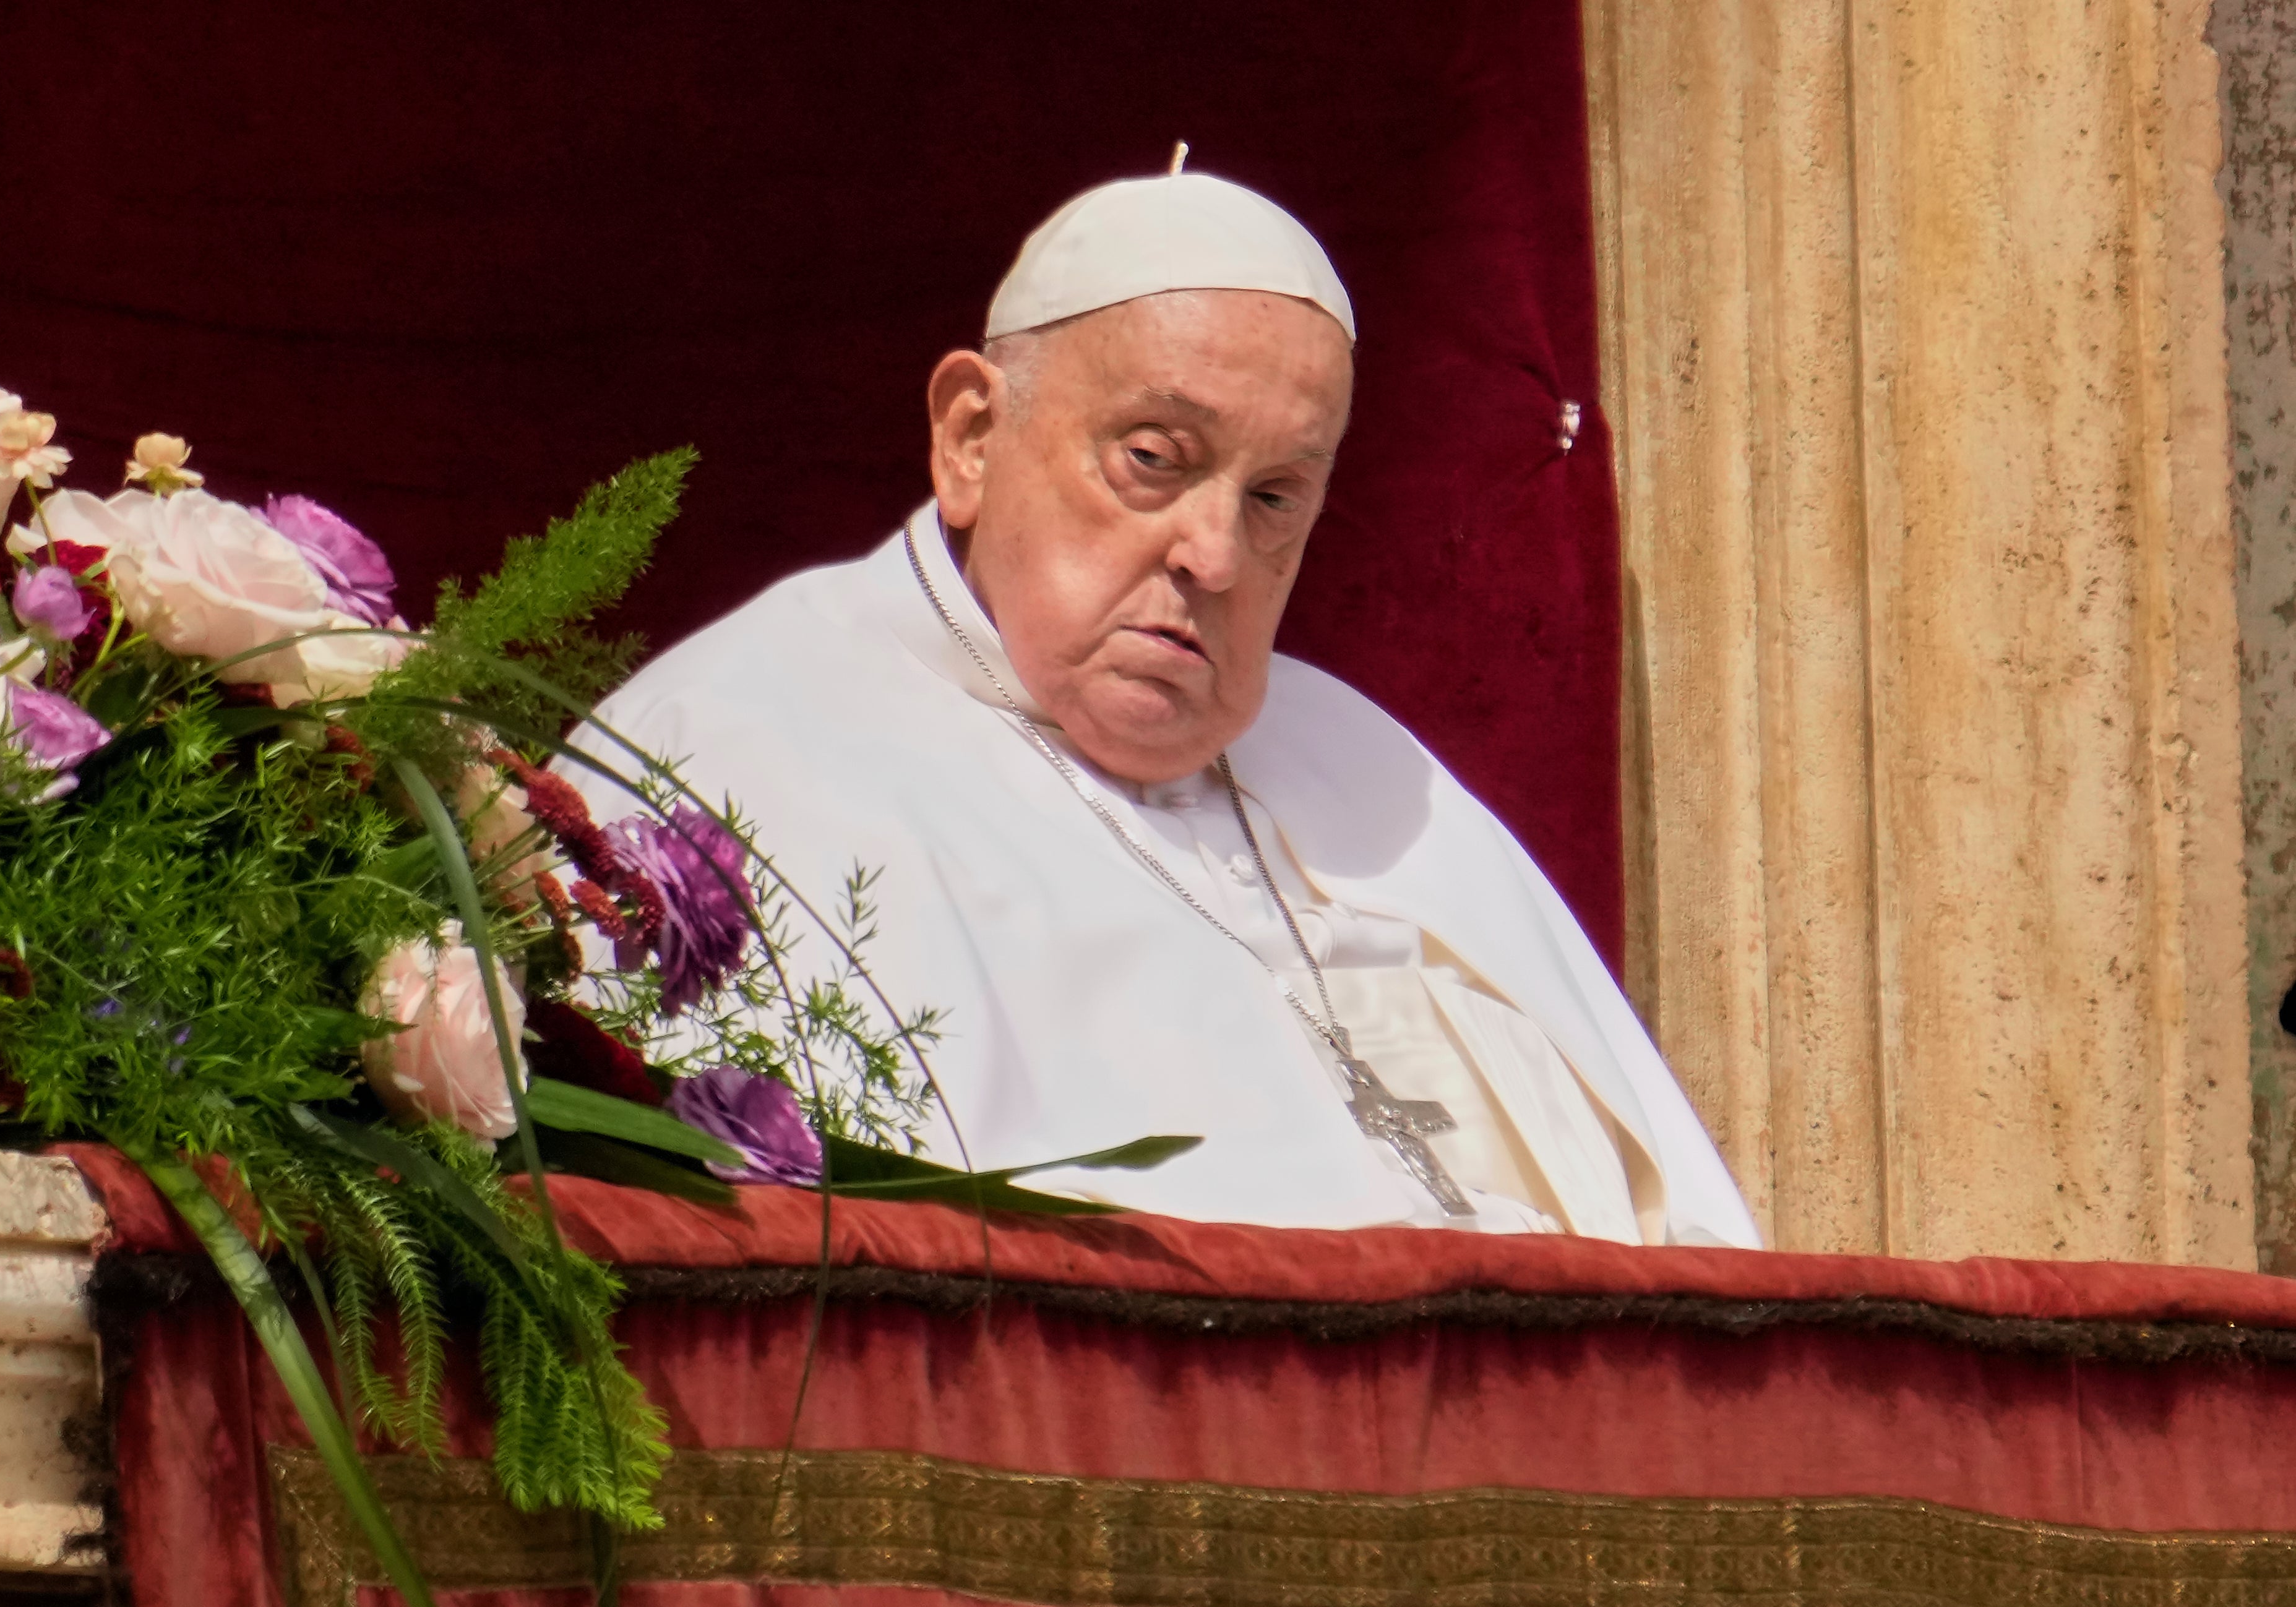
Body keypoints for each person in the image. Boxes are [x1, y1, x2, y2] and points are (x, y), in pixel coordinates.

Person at [570, 162, 1760, 1246]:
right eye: (1155, 457)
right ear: (972, 437)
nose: (1216, 555)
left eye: (1277, 497)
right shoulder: (735, 754)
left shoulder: (1361, 764)